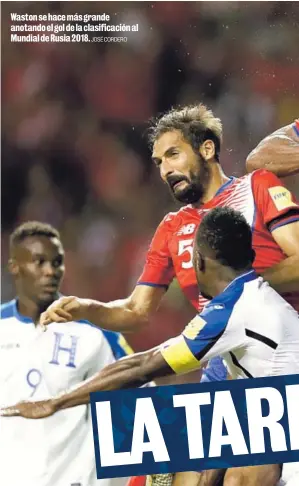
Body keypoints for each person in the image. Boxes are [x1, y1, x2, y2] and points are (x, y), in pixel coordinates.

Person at [28, 104, 299, 485]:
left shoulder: (257, 188)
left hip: (280, 353)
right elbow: (137, 312)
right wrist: (87, 308)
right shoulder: (172, 228)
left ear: (206, 149)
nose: (165, 169)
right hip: (224, 362)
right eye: (157, 162)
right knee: (170, 471)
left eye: (173, 154)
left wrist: (246, 293)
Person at [2, 207, 299, 486]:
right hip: (276, 425)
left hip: (285, 447)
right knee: (178, 431)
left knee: (148, 429)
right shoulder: (255, 300)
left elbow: (143, 367)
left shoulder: (232, 311)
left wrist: (56, 402)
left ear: (200, 261)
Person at [0, 221, 132, 486]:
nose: (50, 271)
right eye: (39, 262)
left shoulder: (96, 332)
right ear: (15, 267)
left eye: (57, 262)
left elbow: (139, 396)